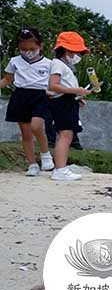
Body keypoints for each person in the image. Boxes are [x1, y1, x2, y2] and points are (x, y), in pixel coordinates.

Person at [0, 28, 55, 176]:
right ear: (19, 48)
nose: (28, 51)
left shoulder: (49, 64)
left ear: (40, 46)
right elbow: (7, 79)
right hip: (21, 96)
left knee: (37, 126)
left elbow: (55, 83)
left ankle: (45, 154)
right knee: (25, 133)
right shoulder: (14, 61)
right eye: (24, 49)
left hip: (40, 96)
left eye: (32, 48)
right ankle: (32, 164)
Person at [47, 31, 92, 181]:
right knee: (65, 135)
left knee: (67, 135)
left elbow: (64, 85)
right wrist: (76, 91)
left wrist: (76, 97)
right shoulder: (58, 64)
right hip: (61, 102)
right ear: (67, 49)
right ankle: (59, 169)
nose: (78, 55)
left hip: (68, 101)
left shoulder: (66, 66)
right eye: (77, 52)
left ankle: (61, 167)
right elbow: (53, 85)